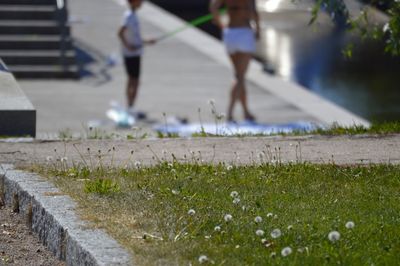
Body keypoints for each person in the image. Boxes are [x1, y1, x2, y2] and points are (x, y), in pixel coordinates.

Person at [209, 0, 260, 122]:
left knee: (238, 75)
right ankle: (230, 113)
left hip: (230, 33)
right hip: (244, 33)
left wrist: (219, 21)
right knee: (240, 77)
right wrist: (258, 29)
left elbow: (213, 6)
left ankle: (246, 112)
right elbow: (254, 13)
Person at [118, 0, 156, 117]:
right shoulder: (129, 16)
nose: (142, 2)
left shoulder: (133, 15)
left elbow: (135, 36)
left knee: (134, 80)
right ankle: (130, 106)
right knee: (133, 80)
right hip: (131, 54)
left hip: (135, 53)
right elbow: (120, 33)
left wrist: (146, 41)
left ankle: (131, 106)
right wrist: (129, 47)